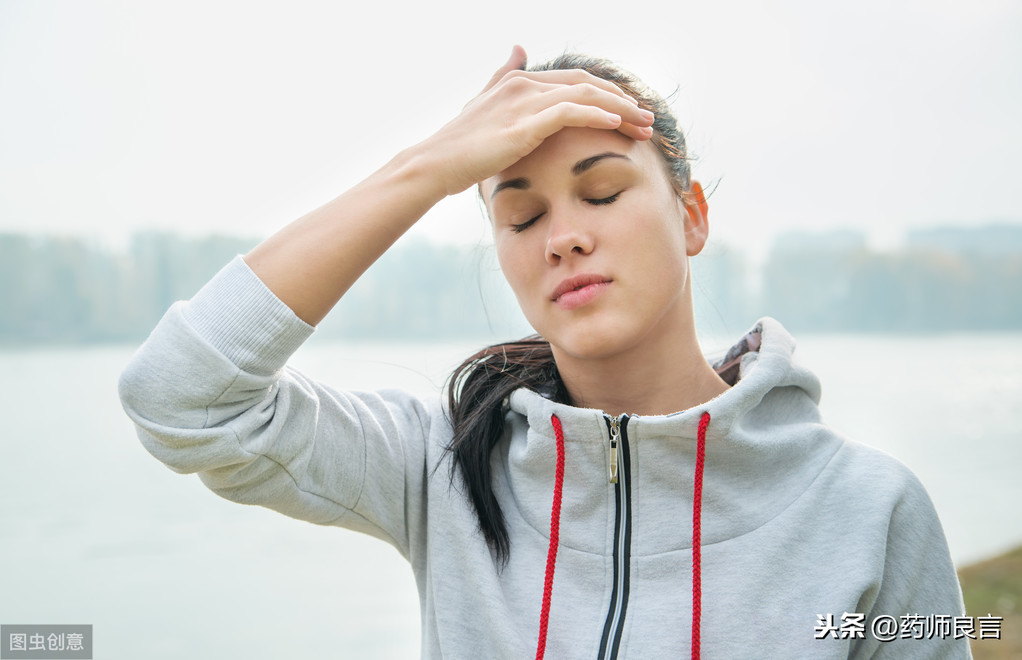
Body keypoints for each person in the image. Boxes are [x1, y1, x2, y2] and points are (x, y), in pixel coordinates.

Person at [119, 46, 970, 658]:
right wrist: (428, 168)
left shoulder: (871, 511)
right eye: (521, 217)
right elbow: (180, 397)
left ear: (693, 216)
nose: (563, 238)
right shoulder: (441, 468)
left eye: (601, 192)